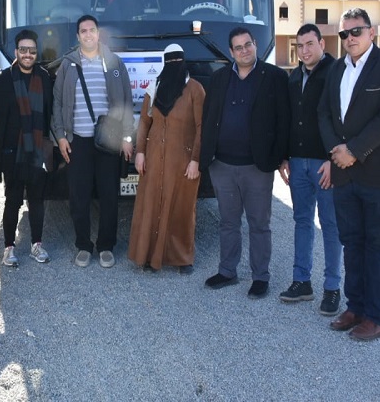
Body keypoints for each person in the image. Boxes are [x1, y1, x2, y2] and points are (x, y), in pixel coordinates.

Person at [318, 8, 380, 341]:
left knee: (378, 244)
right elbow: (324, 113)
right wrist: (336, 151)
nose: (350, 39)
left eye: (356, 31)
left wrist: (354, 150)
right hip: (344, 173)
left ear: (371, 32)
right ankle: (355, 306)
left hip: (379, 170)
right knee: (352, 242)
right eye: (344, 34)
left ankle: (377, 316)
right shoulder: (336, 70)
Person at [200, 26, 289, 299]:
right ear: (231, 52)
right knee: (228, 222)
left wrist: (283, 157)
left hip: (257, 166)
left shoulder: (274, 77)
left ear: (255, 44)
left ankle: (260, 276)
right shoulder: (218, 79)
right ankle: (227, 271)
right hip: (223, 166)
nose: (244, 51)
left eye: (247, 45)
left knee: (259, 223)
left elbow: (283, 120)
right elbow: (208, 118)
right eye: (238, 48)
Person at [51, 15, 134, 269]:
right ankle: (84, 245)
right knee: (79, 196)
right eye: (83, 31)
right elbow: (57, 103)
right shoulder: (68, 65)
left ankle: (106, 246)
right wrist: (61, 137)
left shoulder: (114, 63)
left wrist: (127, 137)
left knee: (109, 195)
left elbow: (126, 103)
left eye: (92, 30)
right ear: (78, 37)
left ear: (99, 34)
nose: (88, 35)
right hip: (77, 142)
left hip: (108, 141)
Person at [277, 24, 342, 315]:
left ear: (322, 43)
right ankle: (302, 281)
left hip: (324, 164)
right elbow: (288, 120)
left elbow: (342, 118)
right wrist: (284, 157)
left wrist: (334, 158)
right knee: (302, 221)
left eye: (309, 44)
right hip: (298, 163)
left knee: (330, 225)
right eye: (300, 45)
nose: (304, 50)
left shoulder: (337, 73)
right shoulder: (293, 78)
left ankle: (332, 288)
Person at [128, 44, 205, 273]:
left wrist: (196, 160)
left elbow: (202, 127)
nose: (173, 67)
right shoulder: (154, 87)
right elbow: (144, 122)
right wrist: (140, 152)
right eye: (169, 62)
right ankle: (151, 257)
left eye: (176, 62)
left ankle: (183, 259)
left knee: (182, 209)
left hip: (183, 163)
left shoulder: (195, 89)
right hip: (154, 161)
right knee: (151, 207)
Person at [0, 29, 53, 267]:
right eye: (23, 50)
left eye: (32, 51)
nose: (28, 54)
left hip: (36, 151)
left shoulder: (43, 77)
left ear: (36, 53)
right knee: (12, 201)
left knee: (37, 200)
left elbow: (52, 111)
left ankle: (36, 245)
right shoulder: (3, 80)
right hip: (11, 151)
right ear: (16, 52)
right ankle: (9, 248)